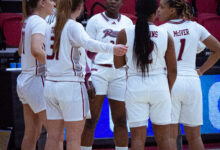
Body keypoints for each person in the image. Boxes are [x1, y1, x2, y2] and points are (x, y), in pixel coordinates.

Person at [43, 0, 128, 149]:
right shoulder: (75, 26)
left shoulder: (49, 26)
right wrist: (113, 48)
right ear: (80, 7)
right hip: (72, 83)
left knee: (53, 136)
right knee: (75, 137)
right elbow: (90, 45)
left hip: (50, 83)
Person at [114, 0, 177, 149]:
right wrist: (167, 89)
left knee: (137, 140)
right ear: (155, 12)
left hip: (135, 85)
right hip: (160, 84)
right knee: (164, 139)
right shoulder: (165, 34)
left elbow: (117, 64)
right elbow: (173, 70)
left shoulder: (124, 33)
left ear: (137, 12)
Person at [157, 0, 220, 150]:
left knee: (170, 137)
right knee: (195, 137)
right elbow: (218, 49)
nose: (158, 10)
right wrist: (201, 71)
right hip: (192, 82)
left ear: (172, 10)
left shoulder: (162, 30)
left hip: (170, 82)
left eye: (162, 7)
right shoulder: (196, 26)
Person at [81, 0, 133, 150]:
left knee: (121, 121)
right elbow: (86, 50)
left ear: (122, 2)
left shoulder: (128, 22)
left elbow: (129, 51)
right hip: (98, 72)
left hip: (119, 73)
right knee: (91, 121)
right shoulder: (94, 21)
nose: (112, 1)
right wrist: (88, 77)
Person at [17, 0, 55, 149]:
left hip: (25, 80)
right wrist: (56, 64)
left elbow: (21, 50)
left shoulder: (28, 21)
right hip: (36, 79)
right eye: (52, 0)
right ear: (42, 3)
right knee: (55, 133)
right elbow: (36, 50)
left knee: (31, 134)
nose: (55, 4)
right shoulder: (39, 22)